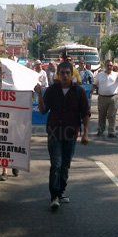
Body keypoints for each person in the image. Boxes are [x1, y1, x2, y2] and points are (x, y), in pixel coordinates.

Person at [35, 61, 90, 211]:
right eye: (62, 73)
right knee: (56, 164)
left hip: (71, 133)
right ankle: (54, 196)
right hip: (54, 132)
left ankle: (61, 192)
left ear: (72, 74)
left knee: (65, 165)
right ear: (58, 74)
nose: (65, 75)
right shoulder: (52, 90)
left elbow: (85, 113)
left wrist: (85, 133)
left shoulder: (79, 91)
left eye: (67, 73)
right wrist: (40, 95)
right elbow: (42, 110)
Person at [94, 60, 118, 138]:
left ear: (113, 66)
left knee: (112, 115)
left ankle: (111, 132)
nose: (109, 67)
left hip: (113, 98)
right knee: (102, 115)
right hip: (102, 98)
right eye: (108, 65)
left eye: (111, 65)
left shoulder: (116, 74)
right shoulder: (100, 75)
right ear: (105, 66)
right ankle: (101, 130)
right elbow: (95, 84)